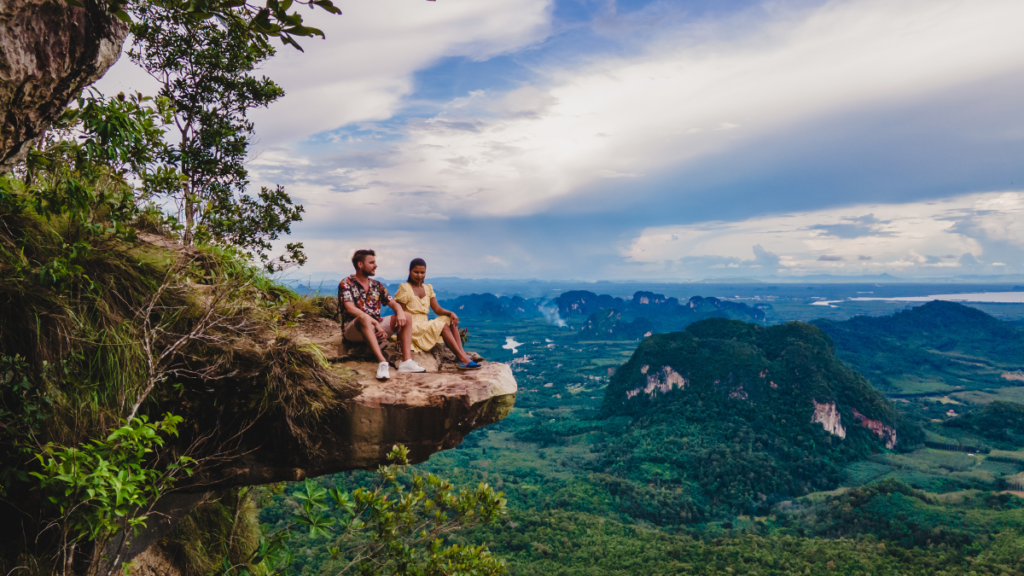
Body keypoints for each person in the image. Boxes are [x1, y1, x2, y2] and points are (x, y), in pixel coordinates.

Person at [339, 249, 426, 380]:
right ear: (360, 264)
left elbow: (393, 303)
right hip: (354, 329)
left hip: (376, 325)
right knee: (363, 318)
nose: (376, 265)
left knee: (407, 316)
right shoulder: (346, 283)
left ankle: (406, 361)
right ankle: (382, 362)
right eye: (372, 262)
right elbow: (350, 309)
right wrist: (375, 323)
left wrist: (400, 312)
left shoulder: (377, 285)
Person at [393, 258, 482, 370]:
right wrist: (400, 337)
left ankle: (461, 354)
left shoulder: (427, 288)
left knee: (449, 320)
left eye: (422, 272)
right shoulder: (405, 288)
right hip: (412, 327)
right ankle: (462, 358)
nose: (419, 275)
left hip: (424, 324)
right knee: (442, 325)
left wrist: (451, 313)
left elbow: (437, 309)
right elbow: (399, 314)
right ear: (410, 272)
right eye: (416, 272)